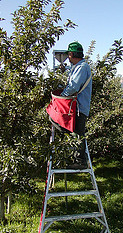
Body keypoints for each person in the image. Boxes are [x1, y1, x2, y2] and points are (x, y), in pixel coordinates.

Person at [50, 41, 92, 169]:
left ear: (72, 54)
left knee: (77, 133)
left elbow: (73, 86)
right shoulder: (78, 66)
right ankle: (76, 155)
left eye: (69, 54)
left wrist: (61, 96)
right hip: (77, 107)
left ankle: (80, 161)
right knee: (76, 132)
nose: (68, 57)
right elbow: (73, 74)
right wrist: (65, 69)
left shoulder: (82, 67)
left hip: (79, 108)